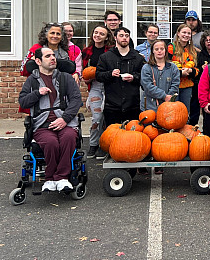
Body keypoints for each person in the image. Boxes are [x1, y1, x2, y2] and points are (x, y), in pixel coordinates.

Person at [18, 47, 83, 192]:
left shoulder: (65, 77)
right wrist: (37, 93)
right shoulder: (32, 80)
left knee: (68, 138)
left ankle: (61, 178)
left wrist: (65, 119)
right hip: (42, 124)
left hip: (65, 122)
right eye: (48, 56)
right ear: (38, 61)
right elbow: (23, 102)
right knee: (51, 142)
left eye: (53, 55)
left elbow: (76, 100)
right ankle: (50, 179)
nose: (53, 58)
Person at [95, 27, 145, 127]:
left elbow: (144, 77)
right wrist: (110, 74)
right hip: (112, 104)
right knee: (112, 135)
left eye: (127, 36)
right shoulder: (106, 57)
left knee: (132, 136)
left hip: (132, 104)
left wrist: (133, 77)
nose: (124, 38)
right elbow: (98, 75)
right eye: (121, 35)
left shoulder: (138, 57)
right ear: (115, 38)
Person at [81, 25, 114, 159]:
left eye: (101, 34)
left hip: (109, 86)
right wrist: (86, 79)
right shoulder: (87, 51)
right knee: (97, 117)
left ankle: (103, 145)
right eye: (96, 33)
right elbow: (84, 71)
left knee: (107, 116)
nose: (98, 35)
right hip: (95, 86)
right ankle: (93, 144)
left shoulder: (111, 51)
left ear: (106, 37)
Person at [140, 40, 180, 112]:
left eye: (162, 49)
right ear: (152, 51)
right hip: (150, 108)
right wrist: (164, 96)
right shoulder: (146, 68)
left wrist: (169, 97)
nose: (159, 51)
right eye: (156, 49)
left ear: (165, 51)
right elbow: (148, 86)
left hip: (168, 107)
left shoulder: (173, 67)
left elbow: (175, 84)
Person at [167, 24, 198, 115]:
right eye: (184, 32)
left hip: (187, 85)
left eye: (189, 33)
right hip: (173, 85)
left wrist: (191, 71)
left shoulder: (193, 50)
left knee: (184, 112)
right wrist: (180, 73)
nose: (186, 35)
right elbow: (166, 66)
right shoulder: (171, 47)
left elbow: (197, 68)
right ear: (178, 34)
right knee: (172, 112)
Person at [195, 30, 210, 126]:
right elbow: (196, 71)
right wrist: (202, 69)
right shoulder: (200, 55)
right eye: (206, 40)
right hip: (204, 86)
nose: (208, 42)